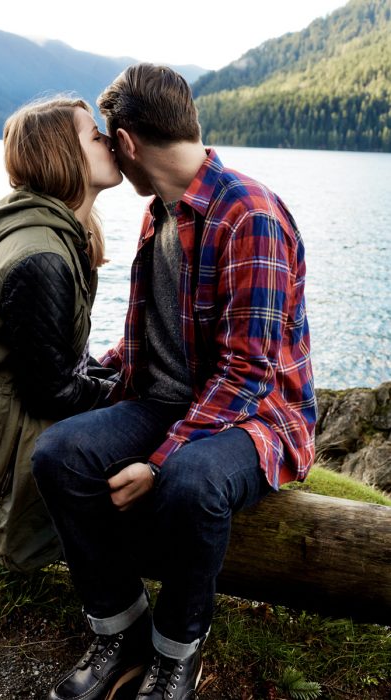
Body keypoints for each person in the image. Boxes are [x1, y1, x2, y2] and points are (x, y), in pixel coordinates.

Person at [32, 64, 317, 700]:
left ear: (128, 142)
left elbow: (249, 372)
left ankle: (174, 653)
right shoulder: (160, 212)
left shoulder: (250, 215)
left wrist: (160, 463)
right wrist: (95, 370)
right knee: (58, 455)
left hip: (257, 416)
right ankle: (121, 628)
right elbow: (154, 330)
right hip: (167, 402)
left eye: (111, 140)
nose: (108, 151)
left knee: (190, 483)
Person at [0, 97, 122, 574]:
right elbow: (54, 391)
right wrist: (134, 397)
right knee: (160, 438)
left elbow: (57, 366)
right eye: (94, 135)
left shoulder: (58, 234)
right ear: (62, 155)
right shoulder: (42, 256)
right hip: (10, 441)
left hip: (12, 416)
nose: (109, 140)